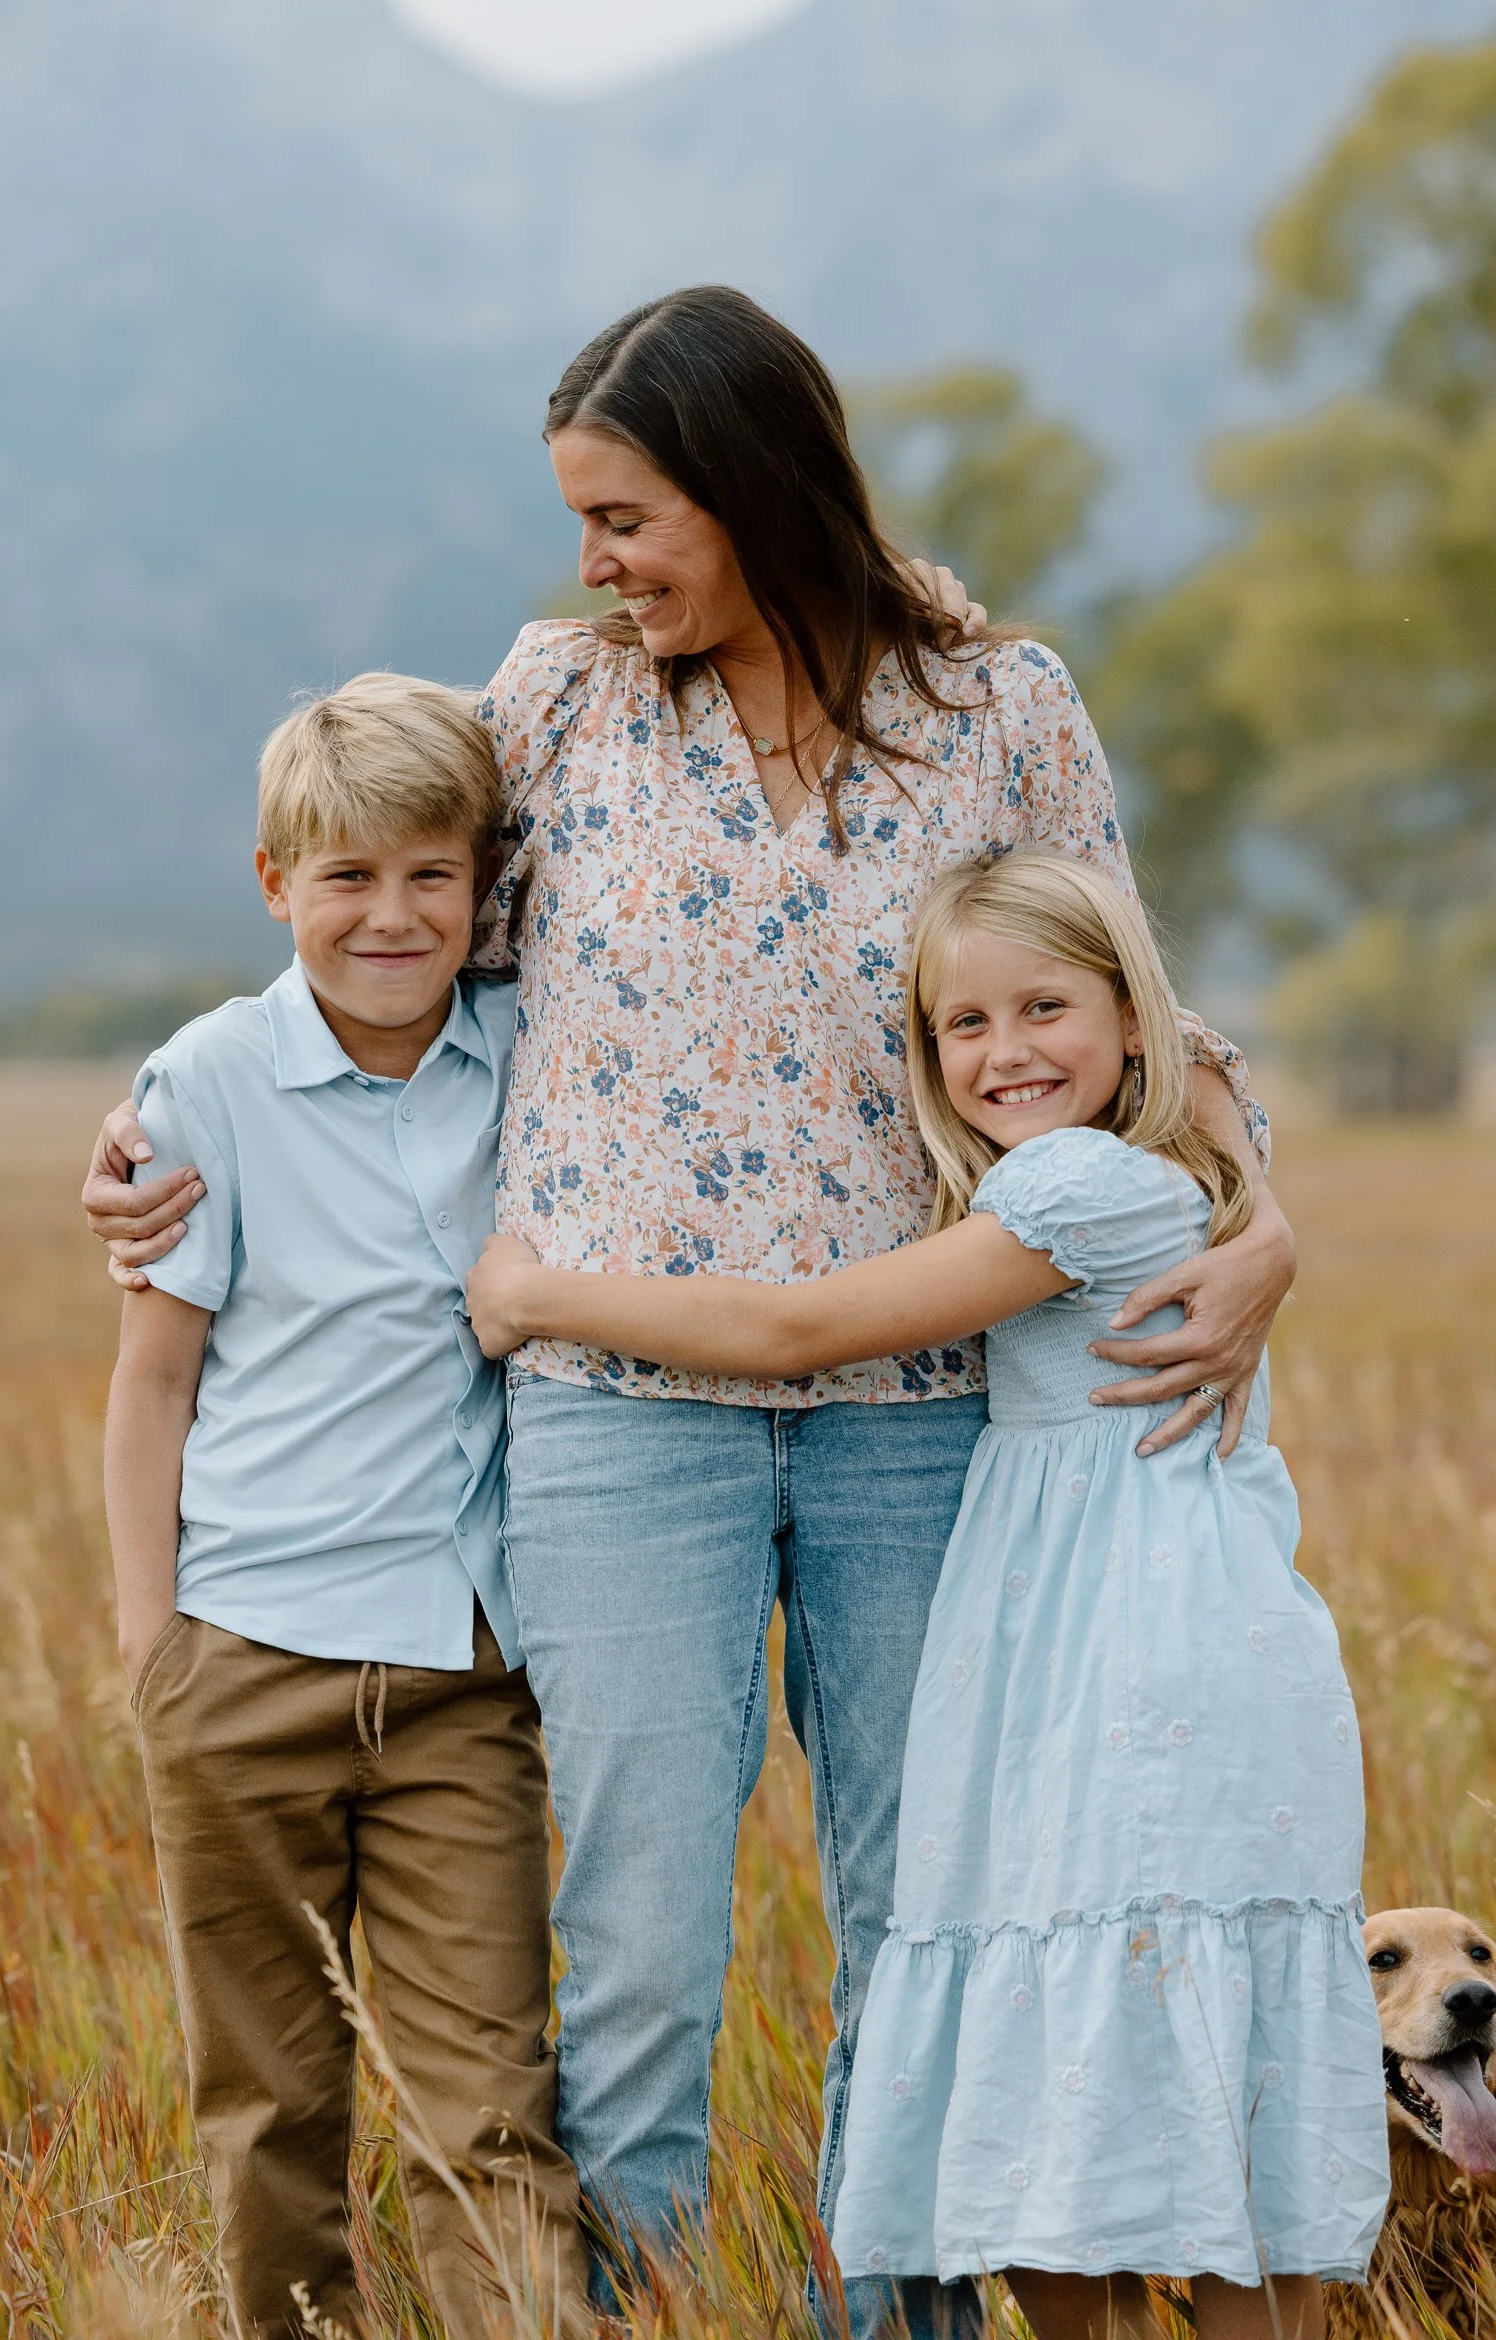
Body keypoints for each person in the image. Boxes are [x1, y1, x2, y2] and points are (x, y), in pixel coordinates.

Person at [84, 286, 1298, 2339]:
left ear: (746, 491)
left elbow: (1129, 1017)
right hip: (607, 1412)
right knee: (640, 1927)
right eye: (583, 519)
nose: (595, 558)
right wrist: (147, 1124)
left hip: (926, 1401)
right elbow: (384, 945)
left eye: (625, 513)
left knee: (920, 1905)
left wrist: (1263, 1226)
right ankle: (641, 2311)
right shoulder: (557, 703)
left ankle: (891, 2311)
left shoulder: (998, 708)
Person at [466, 848, 1389, 2340]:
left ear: (1137, 1026)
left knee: (1091, 2001)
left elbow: (802, 1328)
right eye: (964, 1026)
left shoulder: (1076, 1183)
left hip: (1128, 1653)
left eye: (1044, 1009)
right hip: (1170, 1627)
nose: (1006, 1052)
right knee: (1174, 2031)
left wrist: (533, 1297)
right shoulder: (1182, 1179)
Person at [102, 673, 588, 2340]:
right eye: (347, 879)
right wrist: (152, 1650)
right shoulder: (206, 1083)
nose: (391, 917)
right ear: (274, 884)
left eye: (431, 877)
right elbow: (152, 1382)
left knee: (491, 2098)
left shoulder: (535, 1060)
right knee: (268, 2102)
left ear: (481, 884)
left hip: (464, 1674)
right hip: (243, 1663)